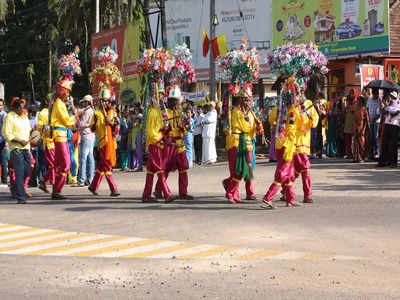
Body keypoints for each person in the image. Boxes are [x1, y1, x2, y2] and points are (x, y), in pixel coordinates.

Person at [262, 77, 302, 208]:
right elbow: (292, 128)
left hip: (282, 143)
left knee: (289, 173)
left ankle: (290, 199)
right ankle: (268, 197)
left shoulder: (281, 110)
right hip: (287, 145)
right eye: (297, 94)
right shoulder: (291, 112)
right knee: (283, 172)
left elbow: (272, 118)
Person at [155, 86, 194, 200]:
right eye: (173, 100)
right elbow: (161, 129)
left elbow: (185, 127)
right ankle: (158, 190)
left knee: (183, 168)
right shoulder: (164, 113)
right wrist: (166, 128)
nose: (175, 102)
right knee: (165, 168)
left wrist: (184, 127)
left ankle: (183, 192)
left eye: (177, 100)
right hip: (169, 143)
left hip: (179, 142)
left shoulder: (180, 112)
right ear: (169, 100)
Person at [142, 86, 176, 203]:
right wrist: (161, 139)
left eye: (162, 95)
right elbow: (151, 132)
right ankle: (167, 194)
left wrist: (167, 130)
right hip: (154, 143)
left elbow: (159, 128)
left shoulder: (158, 111)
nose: (162, 97)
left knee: (151, 170)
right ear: (154, 97)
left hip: (158, 142)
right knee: (160, 168)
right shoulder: (151, 112)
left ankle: (146, 195)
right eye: (159, 95)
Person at [88, 90, 120, 196]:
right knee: (107, 166)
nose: (104, 103)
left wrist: (110, 123)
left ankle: (93, 186)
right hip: (102, 143)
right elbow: (92, 129)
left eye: (106, 101)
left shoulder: (112, 113)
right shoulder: (96, 113)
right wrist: (96, 122)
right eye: (102, 101)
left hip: (111, 143)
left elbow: (117, 129)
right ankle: (113, 188)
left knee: (102, 167)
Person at [50, 79, 77, 199]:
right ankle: (57, 190)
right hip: (60, 136)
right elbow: (67, 121)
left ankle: (56, 190)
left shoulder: (60, 103)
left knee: (61, 164)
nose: (69, 94)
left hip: (63, 135)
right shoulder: (59, 104)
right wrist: (75, 116)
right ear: (63, 91)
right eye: (68, 91)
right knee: (66, 163)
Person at [222, 96, 251, 203]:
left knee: (237, 170)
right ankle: (230, 193)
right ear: (239, 101)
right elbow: (246, 128)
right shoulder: (237, 112)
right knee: (238, 170)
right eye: (243, 100)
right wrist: (247, 119)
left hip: (234, 141)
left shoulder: (232, 111)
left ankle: (233, 193)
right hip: (237, 141)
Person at [2, 98, 31, 204]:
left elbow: (28, 131)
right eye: (19, 108)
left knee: (27, 171)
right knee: (19, 173)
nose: (21, 110)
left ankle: (15, 187)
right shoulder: (9, 117)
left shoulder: (24, 117)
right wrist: (19, 141)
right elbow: (6, 133)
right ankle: (21, 197)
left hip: (26, 148)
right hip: (16, 148)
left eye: (23, 108)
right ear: (14, 108)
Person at [377, 91, 400, 168]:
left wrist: (387, 108)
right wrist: (384, 107)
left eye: (391, 96)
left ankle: (393, 162)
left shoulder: (398, 103)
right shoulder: (388, 104)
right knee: (384, 144)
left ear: (394, 96)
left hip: (395, 125)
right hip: (387, 124)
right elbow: (384, 113)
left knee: (393, 145)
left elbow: (395, 113)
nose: (390, 97)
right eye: (389, 96)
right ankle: (383, 161)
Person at [76, 95, 95, 186]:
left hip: (86, 136)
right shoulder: (92, 111)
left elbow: (82, 124)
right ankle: (90, 179)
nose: (83, 103)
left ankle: (81, 180)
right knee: (90, 158)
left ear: (87, 102)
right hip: (91, 136)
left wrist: (77, 119)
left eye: (84, 102)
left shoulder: (87, 112)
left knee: (83, 159)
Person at [38, 96, 55, 193]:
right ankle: (54, 185)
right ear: (46, 101)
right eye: (51, 100)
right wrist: (49, 126)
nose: (52, 102)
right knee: (52, 164)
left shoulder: (55, 110)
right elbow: (41, 129)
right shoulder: (43, 113)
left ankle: (43, 181)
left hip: (57, 141)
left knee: (55, 164)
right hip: (48, 142)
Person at [353, 96, 369, 163]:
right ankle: (356, 158)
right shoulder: (356, 108)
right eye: (357, 100)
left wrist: (364, 129)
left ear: (362, 102)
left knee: (362, 143)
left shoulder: (364, 109)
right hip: (355, 127)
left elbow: (366, 121)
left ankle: (362, 157)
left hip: (362, 127)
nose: (357, 102)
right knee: (355, 142)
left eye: (359, 100)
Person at [366, 88, 381, 159]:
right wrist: (368, 118)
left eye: (376, 94)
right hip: (370, 121)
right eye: (374, 94)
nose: (375, 96)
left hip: (377, 121)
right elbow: (367, 109)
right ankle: (371, 153)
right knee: (371, 137)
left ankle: (377, 152)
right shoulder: (369, 99)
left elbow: (381, 111)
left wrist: (375, 118)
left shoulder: (380, 100)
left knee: (376, 136)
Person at [343, 89, 358, 159]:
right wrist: (345, 102)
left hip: (353, 123)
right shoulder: (348, 102)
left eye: (352, 93)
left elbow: (354, 109)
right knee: (347, 139)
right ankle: (349, 153)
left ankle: (354, 154)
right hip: (347, 123)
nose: (351, 94)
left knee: (354, 140)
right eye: (350, 93)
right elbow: (345, 110)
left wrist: (349, 107)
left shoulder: (357, 102)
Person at [0, 99, 8, 185]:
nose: (0, 107)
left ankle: (4, 181)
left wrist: (6, 143)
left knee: (3, 162)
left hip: (2, 142)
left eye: (1, 105)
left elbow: (6, 130)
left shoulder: (5, 115)